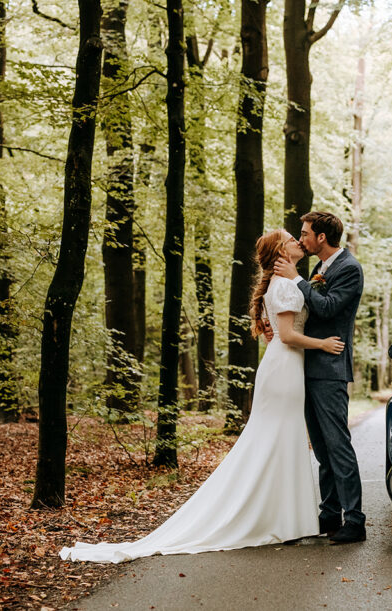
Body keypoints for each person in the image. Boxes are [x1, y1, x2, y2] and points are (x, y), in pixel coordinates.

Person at [59, 230, 344, 563]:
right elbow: (286, 335)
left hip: (284, 368)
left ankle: (282, 517)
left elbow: (278, 332)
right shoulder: (284, 285)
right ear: (281, 251)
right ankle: (273, 517)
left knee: (279, 440)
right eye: (291, 238)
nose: (298, 240)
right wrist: (323, 344)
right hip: (284, 370)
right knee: (275, 439)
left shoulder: (285, 282)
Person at [273, 211, 366, 544]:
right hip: (306, 366)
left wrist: (297, 280)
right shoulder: (319, 267)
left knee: (338, 445)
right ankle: (330, 514)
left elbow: (327, 308)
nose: (301, 239)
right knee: (323, 449)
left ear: (321, 238)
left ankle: (355, 520)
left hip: (330, 368)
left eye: (305, 233)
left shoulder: (349, 269)